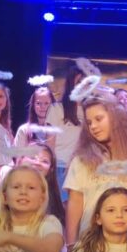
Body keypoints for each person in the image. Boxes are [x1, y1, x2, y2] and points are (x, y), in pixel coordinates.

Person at [64, 94, 127, 247]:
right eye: (89, 122)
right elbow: (75, 203)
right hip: (92, 247)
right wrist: (71, 244)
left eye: (98, 119)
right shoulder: (82, 160)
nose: (93, 126)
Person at [48, 61, 87, 192]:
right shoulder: (57, 109)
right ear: (71, 84)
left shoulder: (90, 111)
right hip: (61, 167)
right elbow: (50, 144)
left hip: (83, 168)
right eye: (79, 82)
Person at [14, 83, 56, 147]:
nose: (42, 106)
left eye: (46, 103)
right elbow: (18, 153)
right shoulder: (23, 130)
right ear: (33, 105)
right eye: (38, 103)